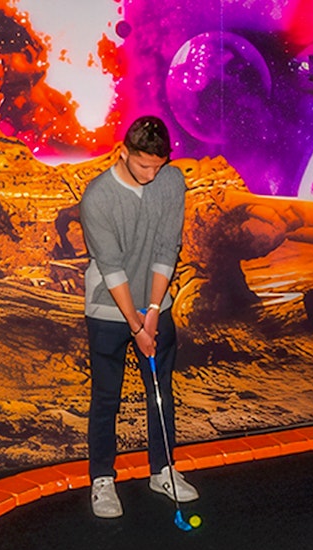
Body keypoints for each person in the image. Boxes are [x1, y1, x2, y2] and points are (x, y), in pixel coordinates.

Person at [81, 115, 197, 518]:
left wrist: (152, 315)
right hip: (107, 307)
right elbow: (111, 268)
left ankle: (162, 470)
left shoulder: (170, 182)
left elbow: (168, 248)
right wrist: (135, 325)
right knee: (107, 395)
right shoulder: (97, 197)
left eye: (158, 165)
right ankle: (102, 479)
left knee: (160, 390)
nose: (152, 174)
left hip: (154, 302)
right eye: (144, 165)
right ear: (123, 153)